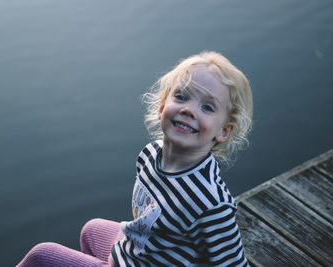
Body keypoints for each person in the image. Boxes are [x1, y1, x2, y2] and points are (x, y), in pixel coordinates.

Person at [17, 50, 252, 266]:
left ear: (224, 131)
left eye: (208, 108)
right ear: (161, 107)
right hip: (137, 252)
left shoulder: (210, 203)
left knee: (42, 256)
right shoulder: (150, 156)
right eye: (181, 97)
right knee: (91, 230)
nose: (189, 110)